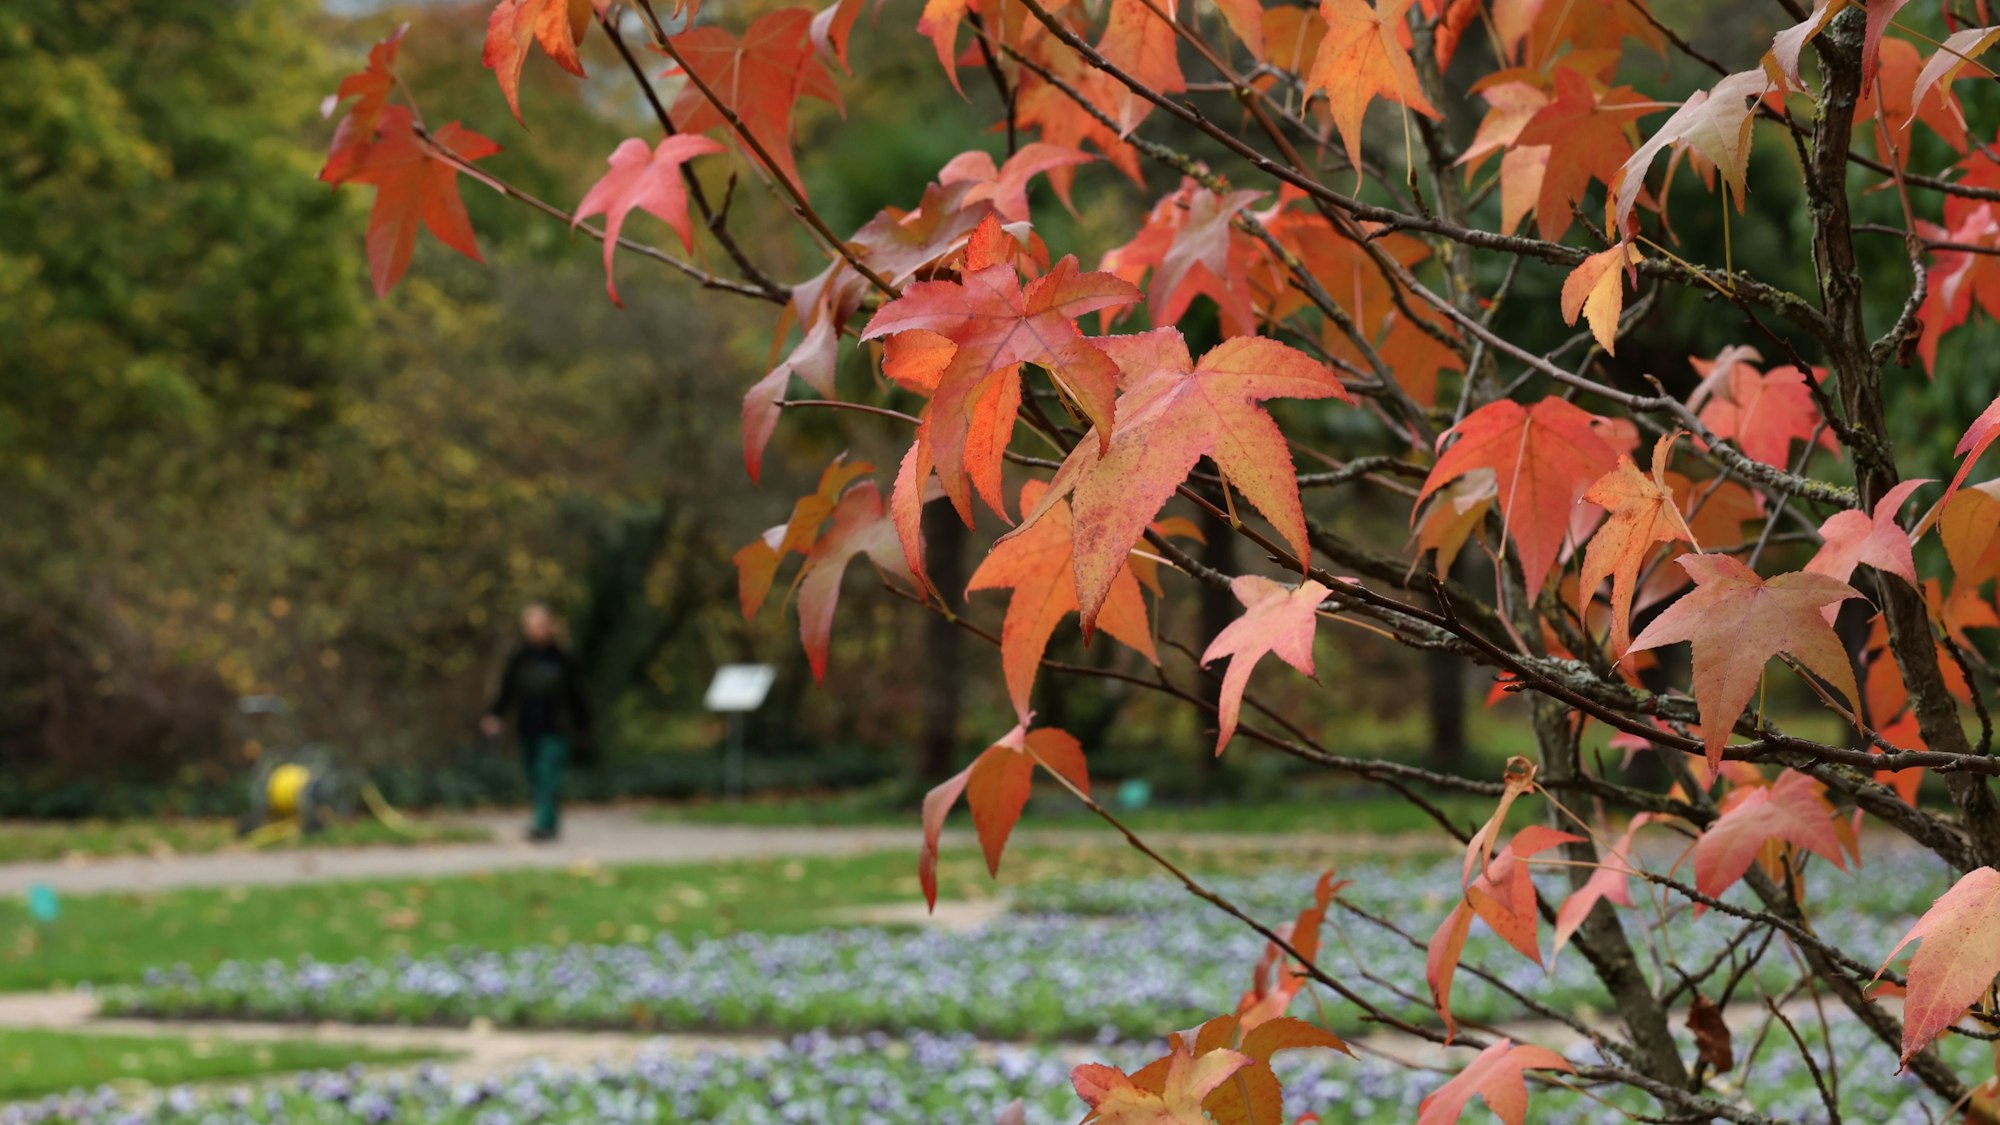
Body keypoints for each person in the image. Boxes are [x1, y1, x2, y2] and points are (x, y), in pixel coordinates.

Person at [481, 604, 591, 842]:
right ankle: (549, 823)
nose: (535, 631)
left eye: (539, 625)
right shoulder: (520, 658)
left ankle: (542, 825)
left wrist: (583, 727)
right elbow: (507, 690)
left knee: (547, 775)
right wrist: (495, 715)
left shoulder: (563, 659)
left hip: (556, 729)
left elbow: (577, 696)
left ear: (550, 626)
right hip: (527, 727)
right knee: (534, 775)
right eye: (530, 626)